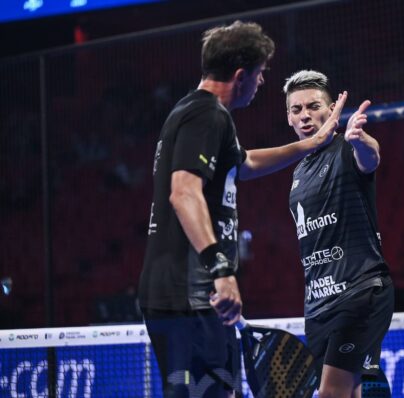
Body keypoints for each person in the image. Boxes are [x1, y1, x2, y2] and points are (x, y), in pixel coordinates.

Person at [138, 25, 346, 397]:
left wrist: (312, 143)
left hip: (176, 295)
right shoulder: (207, 115)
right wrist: (220, 270)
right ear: (240, 76)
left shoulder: (191, 112)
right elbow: (184, 193)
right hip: (194, 294)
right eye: (260, 72)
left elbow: (243, 163)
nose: (262, 81)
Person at [283, 70, 394, 398]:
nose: (305, 115)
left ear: (331, 109)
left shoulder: (346, 149)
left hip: (359, 291)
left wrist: (362, 141)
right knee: (356, 389)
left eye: (313, 106)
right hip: (318, 306)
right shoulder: (298, 169)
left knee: (332, 393)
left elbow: (370, 159)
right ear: (288, 117)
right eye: (296, 109)